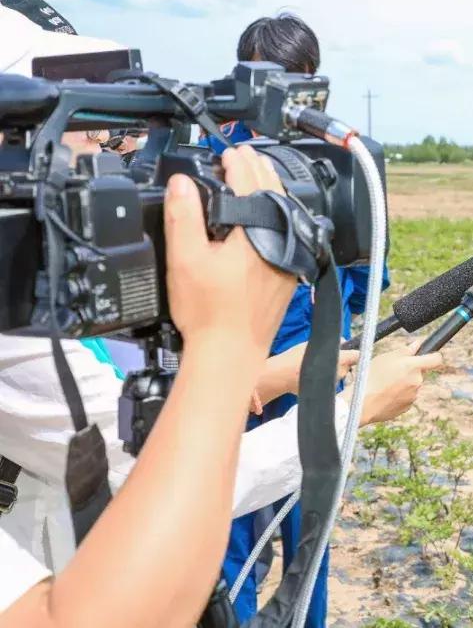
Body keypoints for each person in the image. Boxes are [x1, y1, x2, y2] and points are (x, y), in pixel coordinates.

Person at [0, 145, 297, 626]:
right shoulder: (12, 338)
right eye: (84, 129)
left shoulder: (54, 290)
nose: (103, 149)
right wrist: (343, 413)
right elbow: (150, 466)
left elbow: (120, 390)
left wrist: (263, 373)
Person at [209, 12, 391, 626]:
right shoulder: (213, 153)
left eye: (297, 80)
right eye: (267, 79)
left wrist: (346, 315)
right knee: (223, 523)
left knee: (308, 529)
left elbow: (367, 259)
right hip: (227, 369)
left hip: (309, 367)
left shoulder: (342, 155)